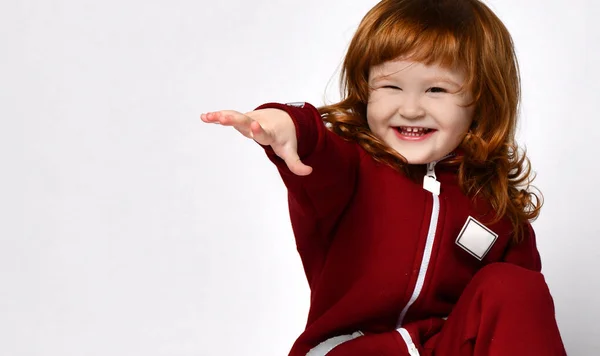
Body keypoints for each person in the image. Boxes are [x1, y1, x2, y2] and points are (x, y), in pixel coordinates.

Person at [200, 0, 567, 355]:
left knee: (516, 287)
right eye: (391, 87)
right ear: (366, 90)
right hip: (356, 352)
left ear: (481, 101)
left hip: (440, 347)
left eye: (436, 90)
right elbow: (314, 143)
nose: (410, 109)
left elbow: (520, 327)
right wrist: (285, 122)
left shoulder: (495, 209)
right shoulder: (349, 171)